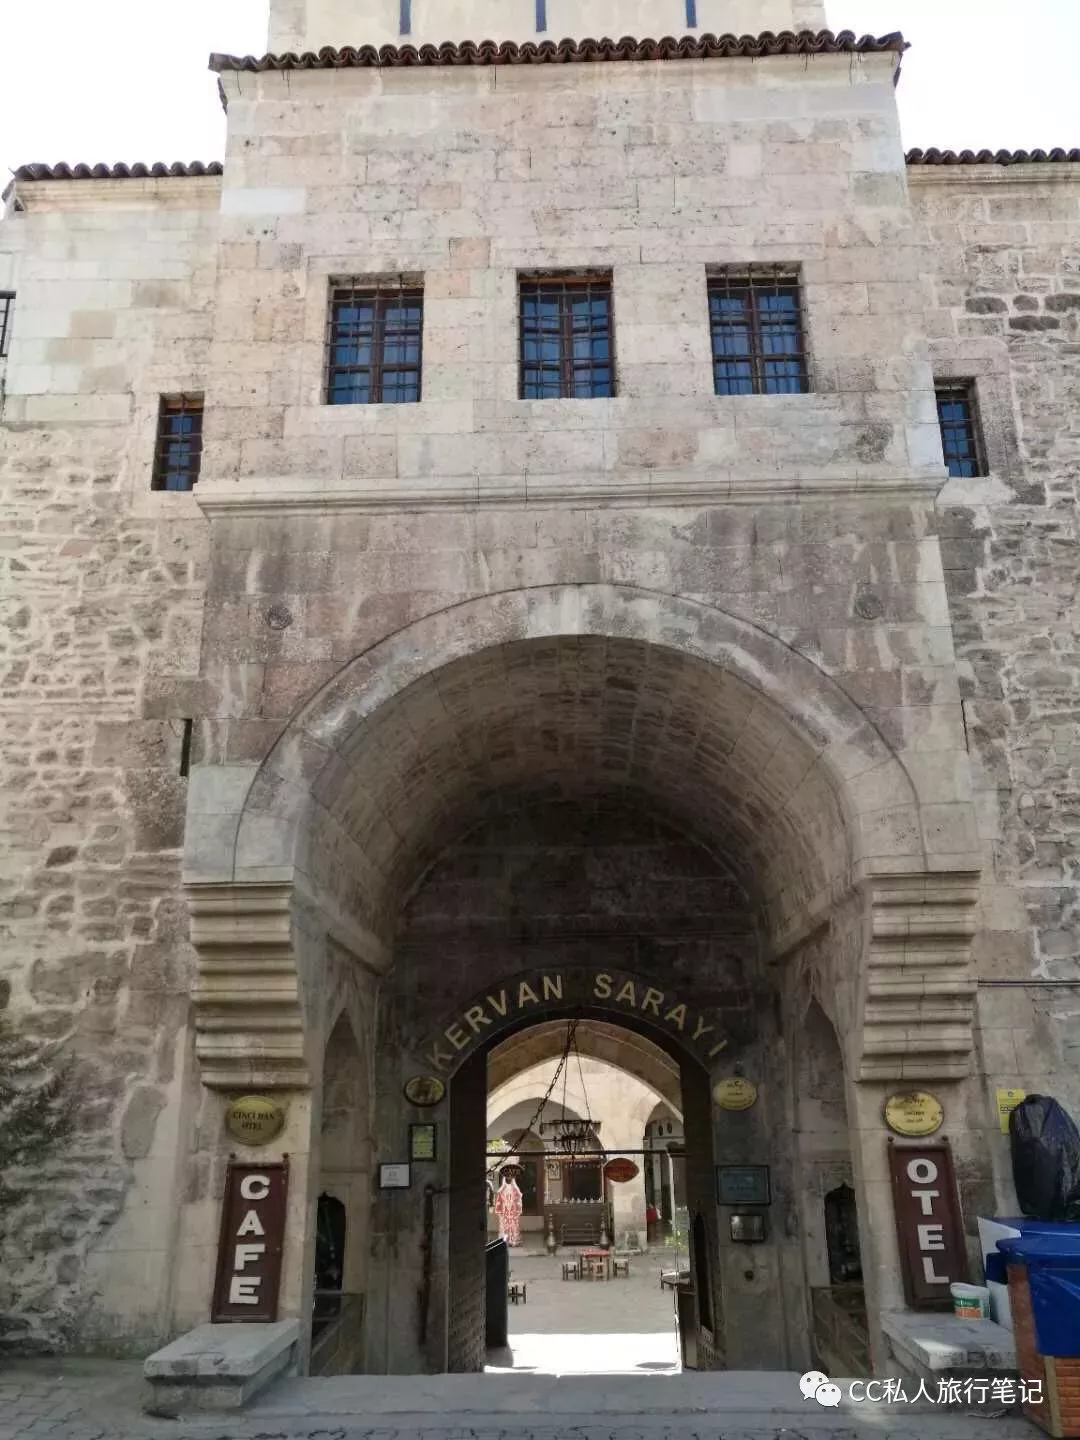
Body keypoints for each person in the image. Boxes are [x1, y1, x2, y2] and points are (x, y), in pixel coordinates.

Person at [493, 1172, 523, 1247]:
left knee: (511, 1226)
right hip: (506, 1211)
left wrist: (518, 1209)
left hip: (512, 1211)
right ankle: (506, 1241)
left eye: (510, 1178)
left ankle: (512, 1241)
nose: (509, 1179)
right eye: (507, 1177)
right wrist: (499, 1210)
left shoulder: (514, 1189)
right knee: (505, 1226)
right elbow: (499, 1200)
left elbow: (519, 1197)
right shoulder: (503, 1189)